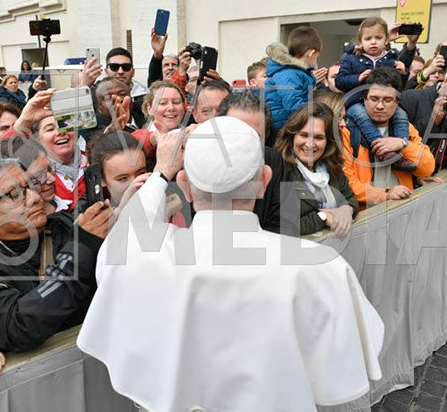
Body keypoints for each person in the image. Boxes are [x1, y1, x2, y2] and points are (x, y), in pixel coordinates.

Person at [78, 118, 385, 411]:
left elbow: (123, 238)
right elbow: (347, 360)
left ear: (184, 186)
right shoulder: (321, 267)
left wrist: (161, 173)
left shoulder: (148, 254)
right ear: (264, 182)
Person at [0, 157, 110, 353]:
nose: (34, 198)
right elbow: (19, 327)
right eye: (14, 195)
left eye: (29, 187)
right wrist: (81, 249)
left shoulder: (64, 226)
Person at [343, 68, 435, 209]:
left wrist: (403, 144)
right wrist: (386, 194)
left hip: (403, 209)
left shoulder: (406, 129)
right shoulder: (347, 131)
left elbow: (427, 168)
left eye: (387, 100)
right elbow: (346, 183)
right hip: (367, 215)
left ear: (397, 102)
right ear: (365, 99)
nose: (380, 106)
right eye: (374, 99)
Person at [216, 90, 299, 236]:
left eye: (254, 137)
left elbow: (287, 223)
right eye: (236, 135)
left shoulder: (274, 161)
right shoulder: (197, 162)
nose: (244, 144)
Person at [335, 18, 413, 170]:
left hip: (383, 102)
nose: (373, 42)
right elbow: (339, 81)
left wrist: (404, 73)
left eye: (378, 38)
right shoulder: (351, 58)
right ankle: (383, 150)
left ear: (386, 40)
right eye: (368, 38)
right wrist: (358, 78)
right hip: (356, 102)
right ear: (360, 41)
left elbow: (398, 85)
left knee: (401, 115)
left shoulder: (391, 58)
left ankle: (401, 148)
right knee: (362, 116)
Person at [274, 101, 358, 236]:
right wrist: (322, 217)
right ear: (291, 135)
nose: (310, 144)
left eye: (319, 137)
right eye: (304, 135)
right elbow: (282, 225)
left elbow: (349, 198)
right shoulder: (279, 171)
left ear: (329, 141)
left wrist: (347, 209)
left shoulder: (331, 166)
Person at [264, 26, 321, 133]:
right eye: (317, 57)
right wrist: (315, 112)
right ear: (311, 54)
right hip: (281, 126)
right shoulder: (289, 73)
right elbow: (292, 104)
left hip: (288, 121)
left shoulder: (295, 72)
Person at [132, 81, 187, 161]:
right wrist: (153, 139)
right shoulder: (137, 137)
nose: (171, 108)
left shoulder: (192, 134)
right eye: (163, 103)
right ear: (149, 108)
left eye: (176, 102)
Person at [104, 47, 149, 118]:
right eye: (114, 67)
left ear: (133, 72)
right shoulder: (96, 95)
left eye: (126, 67)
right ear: (106, 71)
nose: (120, 71)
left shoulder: (146, 96)